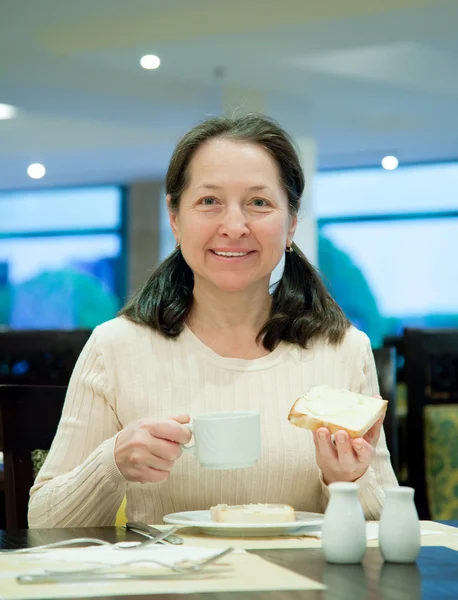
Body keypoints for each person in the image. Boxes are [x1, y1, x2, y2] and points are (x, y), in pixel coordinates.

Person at [29, 114, 398, 528]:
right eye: (209, 202)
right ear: (175, 218)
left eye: (259, 203)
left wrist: (344, 480)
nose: (235, 227)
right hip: (169, 588)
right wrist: (112, 462)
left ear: (291, 223)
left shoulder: (343, 350)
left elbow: (386, 525)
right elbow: (44, 522)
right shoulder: (115, 347)